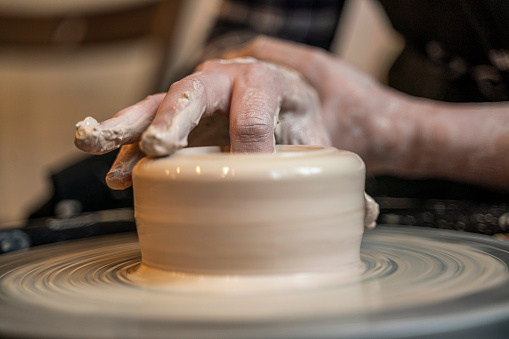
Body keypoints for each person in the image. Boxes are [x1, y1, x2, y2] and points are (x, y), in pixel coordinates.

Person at [42, 0, 509, 234]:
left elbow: (386, 129)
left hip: (417, 133)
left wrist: (396, 131)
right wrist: (258, 82)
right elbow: (252, 36)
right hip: (414, 107)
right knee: (80, 200)